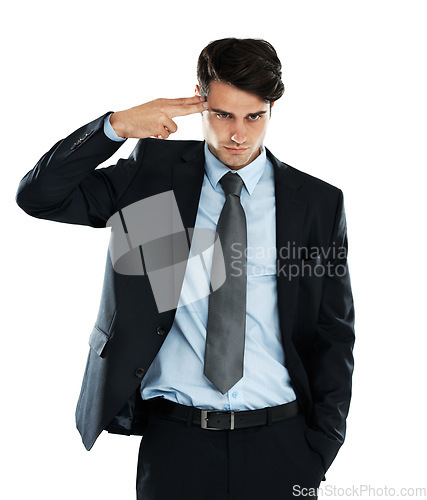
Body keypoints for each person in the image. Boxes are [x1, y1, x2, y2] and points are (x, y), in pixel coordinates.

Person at [16, 38, 355, 499]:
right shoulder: (153, 179)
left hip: (283, 444)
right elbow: (38, 197)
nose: (238, 134)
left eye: (254, 116)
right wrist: (114, 127)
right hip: (177, 444)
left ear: (272, 107)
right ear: (200, 100)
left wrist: (322, 447)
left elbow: (332, 332)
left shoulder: (315, 203)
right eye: (223, 115)